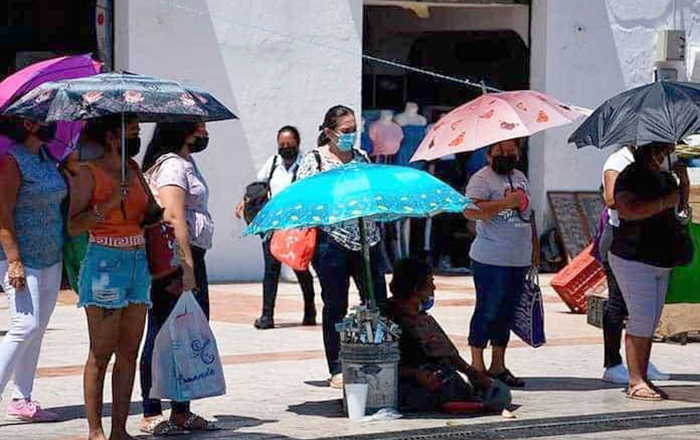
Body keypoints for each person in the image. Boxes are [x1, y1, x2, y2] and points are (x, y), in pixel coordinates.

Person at [68, 115, 157, 440]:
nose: (137, 135)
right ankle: (95, 431)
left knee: (129, 352)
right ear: (111, 136)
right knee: (101, 352)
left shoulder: (133, 170)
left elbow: (146, 214)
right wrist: (109, 203)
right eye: (132, 130)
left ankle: (120, 430)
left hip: (137, 262)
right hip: (104, 262)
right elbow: (74, 225)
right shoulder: (88, 173)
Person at [296, 105, 387, 389]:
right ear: (329, 132)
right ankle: (336, 366)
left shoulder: (362, 158)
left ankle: (377, 354)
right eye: (345, 131)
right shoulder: (315, 161)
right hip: (332, 242)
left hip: (367, 240)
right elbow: (303, 199)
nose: (351, 136)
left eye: (354, 131)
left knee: (377, 301)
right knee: (335, 305)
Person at [139, 122, 218, 435]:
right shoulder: (172, 165)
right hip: (177, 258)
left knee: (187, 334)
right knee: (162, 333)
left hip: (193, 255)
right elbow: (173, 216)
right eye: (199, 127)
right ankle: (151, 411)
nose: (204, 133)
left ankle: (182, 410)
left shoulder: (186, 161)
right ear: (182, 130)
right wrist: (185, 267)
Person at [609, 143, 690, 401]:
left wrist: (683, 182)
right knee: (641, 318)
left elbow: (679, 207)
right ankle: (635, 381)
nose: (666, 155)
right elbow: (626, 210)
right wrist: (665, 201)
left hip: (660, 258)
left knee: (651, 321)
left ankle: (643, 375)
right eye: (663, 151)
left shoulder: (666, 177)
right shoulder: (630, 176)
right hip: (633, 257)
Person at [382, 258, 512, 413]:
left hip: (437, 378)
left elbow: (444, 350)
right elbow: (377, 366)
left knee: (499, 394)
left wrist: (471, 372)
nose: (434, 288)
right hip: (402, 384)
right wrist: (416, 374)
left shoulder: (420, 316)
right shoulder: (385, 319)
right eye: (430, 282)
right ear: (417, 288)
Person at [0, 117, 66, 422]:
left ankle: (21, 398)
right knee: (24, 326)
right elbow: (3, 213)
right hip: (21, 259)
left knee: (37, 330)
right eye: (43, 118)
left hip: (51, 255)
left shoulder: (47, 158)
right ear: (26, 124)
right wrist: (14, 260)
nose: (51, 123)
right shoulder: (13, 160)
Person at [462, 138, 539, 387]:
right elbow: (470, 211)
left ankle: (498, 364)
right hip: (491, 257)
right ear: (489, 155)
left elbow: (530, 215)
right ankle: (477, 364)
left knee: (507, 311)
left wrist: (535, 248)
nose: (507, 155)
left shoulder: (521, 177)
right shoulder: (481, 179)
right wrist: (506, 203)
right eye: (501, 151)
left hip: (518, 256)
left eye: (511, 151)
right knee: (488, 309)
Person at [235, 126, 316, 329]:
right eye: (282, 145)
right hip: (273, 226)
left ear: (298, 143)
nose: (285, 148)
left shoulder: (306, 165)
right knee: (271, 270)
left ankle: (309, 311)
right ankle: (267, 316)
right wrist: (244, 202)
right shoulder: (273, 163)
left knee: (300, 269)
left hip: (297, 226)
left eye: (290, 144)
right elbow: (257, 187)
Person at [599, 145, 669, 384]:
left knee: (643, 310)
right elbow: (611, 198)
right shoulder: (619, 161)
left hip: (646, 241)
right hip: (620, 238)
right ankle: (613, 363)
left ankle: (640, 361)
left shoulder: (656, 164)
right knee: (618, 303)